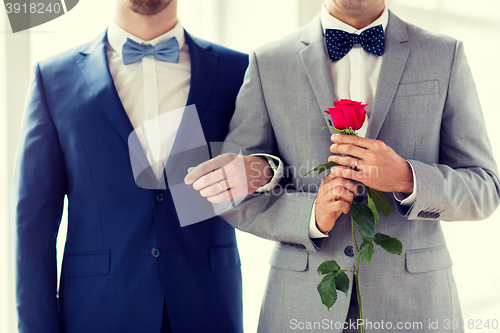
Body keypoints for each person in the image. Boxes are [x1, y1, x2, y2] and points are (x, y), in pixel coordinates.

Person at [186, 0, 500, 332]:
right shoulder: (269, 62)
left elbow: (485, 187)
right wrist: (309, 216)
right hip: (300, 307)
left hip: (416, 306)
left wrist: (408, 178)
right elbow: (238, 195)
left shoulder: (444, 54)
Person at [11, 0, 276, 332]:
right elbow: (33, 225)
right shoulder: (52, 79)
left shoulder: (238, 70)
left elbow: (277, 171)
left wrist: (263, 171)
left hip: (206, 307)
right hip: (99, 311)